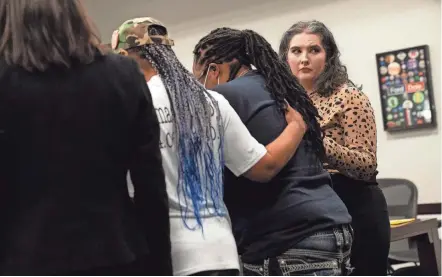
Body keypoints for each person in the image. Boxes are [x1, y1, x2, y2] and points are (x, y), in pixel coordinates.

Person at [111, 17, 307, 276]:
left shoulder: (133, 105)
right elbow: (264, 167)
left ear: (125, 56)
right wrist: (297, 127)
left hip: (169, 257)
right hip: (222, 254)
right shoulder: (212, 101)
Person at [0, 1, 171, 275]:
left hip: (21, 260)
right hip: (115, 253)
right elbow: (151, 187)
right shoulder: (123, 75)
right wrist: (161, 267)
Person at [193, 27, 353, 276]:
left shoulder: (222, 97)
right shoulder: (283, 86)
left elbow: (260, 168)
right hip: (331, 224)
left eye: (198, 77)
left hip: (287, 237)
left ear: (214, 70)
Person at [279, 20, 390, 276]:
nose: (304, 58)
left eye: (314, 50)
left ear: (328, 56)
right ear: (285, 58)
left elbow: (366, 165)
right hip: (307, 209)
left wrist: (315, 139)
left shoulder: (348, 95)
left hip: (354, 204)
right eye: (296, 51)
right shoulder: (282, 102)